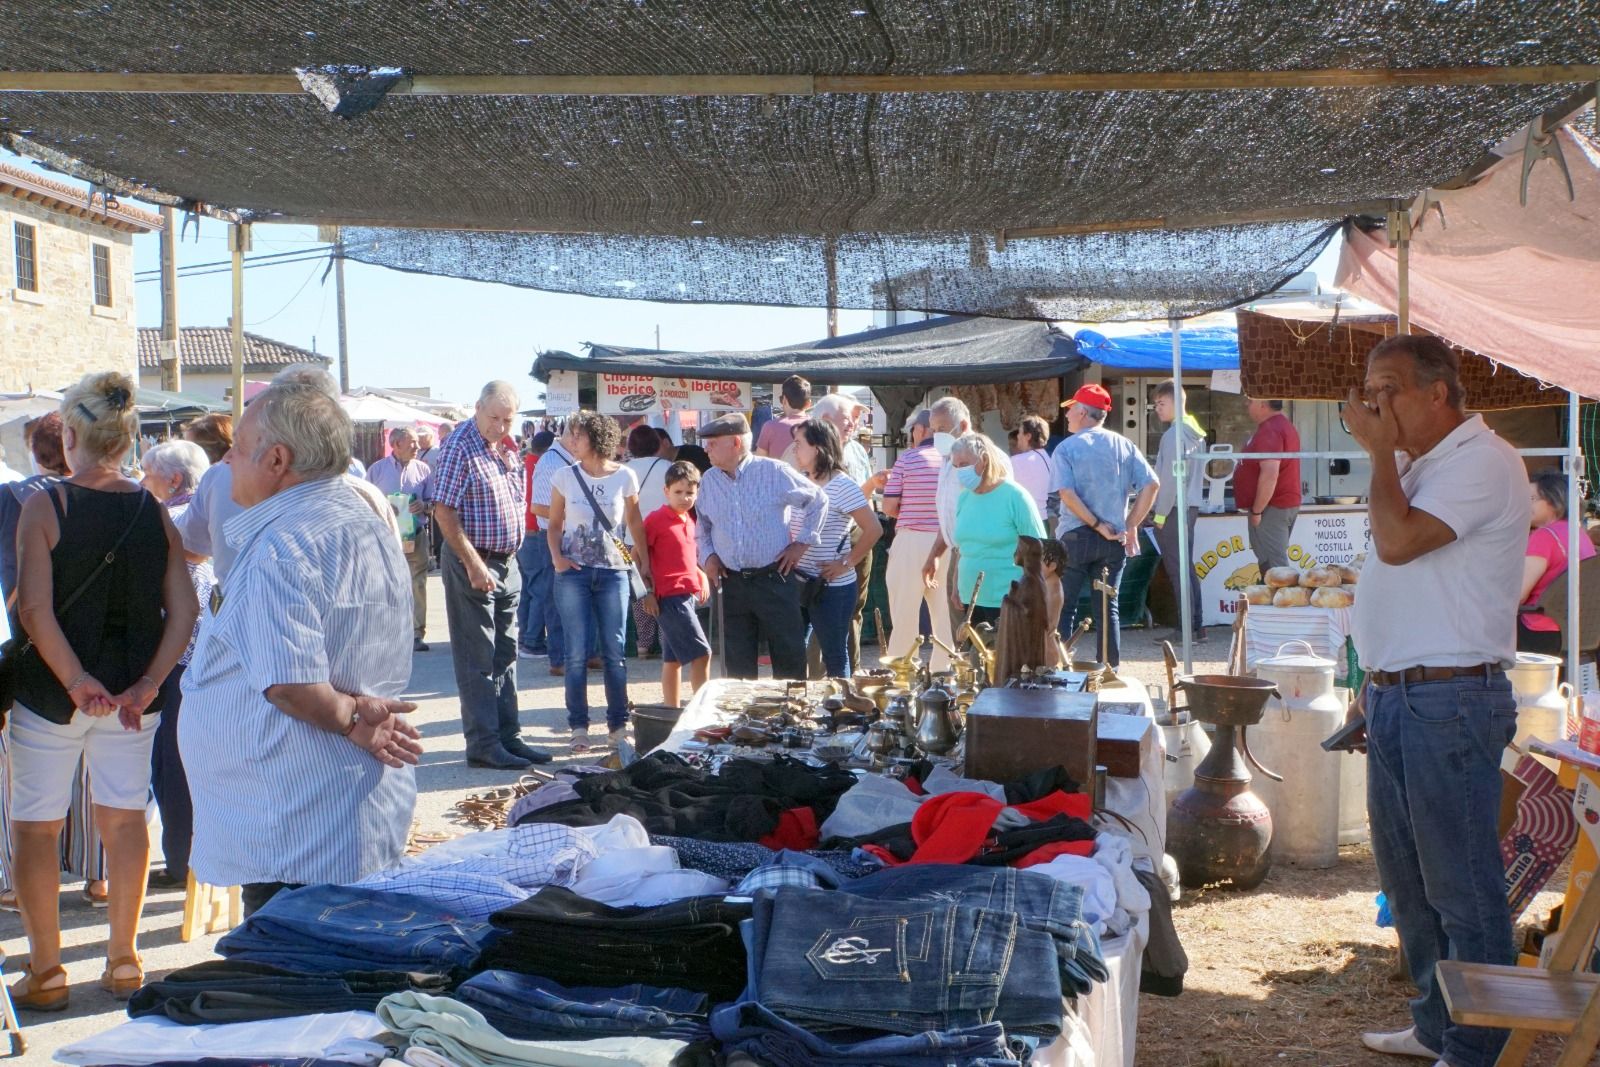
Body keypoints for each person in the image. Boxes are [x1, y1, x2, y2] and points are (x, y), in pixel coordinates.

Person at [1344, 335, 1528, 1067]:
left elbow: (1398, 544)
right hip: (1401, 695)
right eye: (1369, 388)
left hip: (1451, 698)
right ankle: (1435, 1024)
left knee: (1463, 882)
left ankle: (1478, 1043)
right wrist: (1375, 675)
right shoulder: (1422, 463)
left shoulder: (1482, 461)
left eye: (1387, 388)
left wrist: (1380, 453)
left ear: (1438, 393)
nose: (1373, 402)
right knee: (1409, 879)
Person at [179, 379, 423, 921]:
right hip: (325, 813)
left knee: (292, 985)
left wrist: (351, 718)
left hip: (294, 825)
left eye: (238, 448)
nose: (228, 463)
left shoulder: (283, 545)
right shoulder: (359, 518)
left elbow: (291, 682)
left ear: (277, 459)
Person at [8, 372, 197, 1009]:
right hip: (130, 699)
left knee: (35, 827)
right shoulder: (153, 509)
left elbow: (34, 609)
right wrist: (146, 684)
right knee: (124, 822)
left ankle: (49, 971)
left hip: (52, 694)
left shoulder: (46, 504)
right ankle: (122, 960)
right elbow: (185, 609)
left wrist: (77, 681)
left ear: (72, 431)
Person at [0, 413, 108, 912]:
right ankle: (99, 876)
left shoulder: (15, 499)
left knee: (25, 798)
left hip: (32, 658)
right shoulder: (113, 499)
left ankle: (12, 887)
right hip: (102, 658)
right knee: (100, 784)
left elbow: (15, 588)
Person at [432, 381, 552, 770]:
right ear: (478, 409)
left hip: (506, 560)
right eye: (493, 418)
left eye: (507, 419)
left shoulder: (508, 446)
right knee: (478, 656)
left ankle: (508, 735)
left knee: (506, 654)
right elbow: (444, 511)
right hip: (475, 561)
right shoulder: (460, 446)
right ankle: (484, 743)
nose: (500, 426)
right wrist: (473, 563)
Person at [695, 412, 828, 679]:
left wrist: (802, 543)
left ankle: (792, 716)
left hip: (773, 578)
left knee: (788, 657)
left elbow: (818, 500)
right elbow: (703, 524)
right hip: (731, 581)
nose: (706, 449)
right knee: (737, 665)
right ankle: (743, 719)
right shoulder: (709, 479)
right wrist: (708, 555)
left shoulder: (774, 471)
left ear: (734, 443)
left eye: (712, 443)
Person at [136, 441, 214, 892]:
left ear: (175, 481)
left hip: (181, 669)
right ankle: (184, 859)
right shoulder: (189, 519)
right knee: (178, 769)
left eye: (148, 474)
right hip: (192, 666)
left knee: (175, 769)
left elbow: (183, 608)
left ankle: (184, 861)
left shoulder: (178, 524)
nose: (142, 482)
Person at [547, 411, 650, 751]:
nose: (571, 441)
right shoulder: (565, 475)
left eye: (576, 435)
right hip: (573, 574)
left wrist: (641, 561)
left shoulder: (625, 476)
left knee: (615, 653)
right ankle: (578, 727)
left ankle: (618, 726)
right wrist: (558, 559)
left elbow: (634, 522)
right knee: (575, 655)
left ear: (596, 438)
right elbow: (554, 524)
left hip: (613, 573)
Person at [1049, 383, 1158, 668]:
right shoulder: (1124, 444)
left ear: (1083, 412)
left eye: (1071, 410)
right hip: (1113, 540)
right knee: (1107, 608)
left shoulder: (1066, 448)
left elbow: (1067, 494)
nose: (1068, 416)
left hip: (1076, 536)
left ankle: (1060, 668)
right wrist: (1129, 524)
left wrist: (1097, 524)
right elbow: (1152, 484)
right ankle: (1110, 669)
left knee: (1065, 605)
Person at [792, 419, 882, 678]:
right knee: (794, 652)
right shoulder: (801, 480)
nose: (794, 449)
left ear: (818, 448)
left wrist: (846, 562)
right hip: (800, 582)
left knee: (834, 655)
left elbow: (874, 529)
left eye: (799, 444)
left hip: (832, 587)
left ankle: (840, 711)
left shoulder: (843, 485)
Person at [935, 432, 1046, 627]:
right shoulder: (964, 498)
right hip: (970, 599)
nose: (959, 471)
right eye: (956, 466)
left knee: (1006, 657)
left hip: (1009, 600)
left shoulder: (1015, 496)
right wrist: (956, 584)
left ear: (984, 460)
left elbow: (1038, 548)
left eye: (964, 465)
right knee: (975, 657)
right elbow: (963, 547)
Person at [882, 409, 954, 673]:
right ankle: (943, 670)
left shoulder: (908, 460)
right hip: (946, 540)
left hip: (912, 539)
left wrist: (910, 508)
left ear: (922, 430)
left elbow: (889, 506)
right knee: (944, 613)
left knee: (904, 613)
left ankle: (903, 671)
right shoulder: (953, 460)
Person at [528, 420, 597, 674]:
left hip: (576, 536)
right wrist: (580, 515)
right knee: (556, 599)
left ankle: (586, 653)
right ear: (575, 437)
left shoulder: (571, 460)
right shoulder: (551, 463)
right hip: (554, 537)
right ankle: (559, 659)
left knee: (583, 597)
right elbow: (538, 507)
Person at [642, 462, 712, 706]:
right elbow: (638, 557)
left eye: (690, 492)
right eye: (678, 492)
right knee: (702, 654)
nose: (684, 498)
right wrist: (647, 592)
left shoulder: (689, 519)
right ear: (666, 491)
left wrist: (700, 574)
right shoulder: (655, 520)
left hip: (686, 595)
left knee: (672, 660)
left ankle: (671, 711)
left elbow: (683, 556)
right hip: (669, 596)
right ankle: (701, 710)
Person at [367, 427, 433, 652]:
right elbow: (365, 503)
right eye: (412, 443)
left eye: (417, 442)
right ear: (395, 445)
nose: (417, 446)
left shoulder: (424, 470)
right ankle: (391, 631)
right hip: (385, 537)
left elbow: (435, 502)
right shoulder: (377, 471)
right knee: (387, 584)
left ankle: (416, 633)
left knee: (417, 583)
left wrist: (424, 506)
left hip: (415, 535)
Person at [1516, 470, 1596, 654]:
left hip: (1540, 630)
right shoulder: (1579, 535)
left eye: (1531, 499)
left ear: (1554, 501)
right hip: (1579, 630)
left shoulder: (1544, 536)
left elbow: (1518, 594)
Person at [1152, 380, 1208, 642]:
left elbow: (1170, 479)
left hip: (1173, 509)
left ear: (1176, 402)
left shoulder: (1173, 436)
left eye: (1161, 404)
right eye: (1155, 405)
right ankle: (1197, 625)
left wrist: (1159, 515)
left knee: (1177, 570)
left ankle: (1186, 629)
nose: (1157, 410)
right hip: (1191, 506)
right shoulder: (1195, 433)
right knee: (1187, 568)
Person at [1235, 396, 1302, 572]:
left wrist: (1257, 510)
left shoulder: (1271, 430)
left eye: (1250, 401)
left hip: (1272, 506)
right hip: (1276, 505)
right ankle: (1271, 596)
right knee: (1269, 563)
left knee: (1276, 567)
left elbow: (1270, 474)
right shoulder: (1279, 426)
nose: (1246, 405)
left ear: (1262, 404)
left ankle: (1286, 599)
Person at [625, 424, 672, 658]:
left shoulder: (622, 471)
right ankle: (667, 642)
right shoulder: (669, 469)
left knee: (639, 591)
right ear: (657, 443)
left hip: (629, 541)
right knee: (664, 589)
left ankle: (643, 644)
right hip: (664, 539)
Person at [516, 430, 555, 658]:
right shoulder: (544, 467)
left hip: (521, 532)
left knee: (527, 589)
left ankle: (526, 638)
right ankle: (533, 641)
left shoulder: (522, 466)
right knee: (540, 588)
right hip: (535, 531)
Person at [755, 374, 812, 458]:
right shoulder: (818, 427)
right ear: (808, 404)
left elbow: (760, 462)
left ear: (784, 400)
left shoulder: (770, 427)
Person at [1011, 414, 1053, 518]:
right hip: (1043, 518)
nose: (1017, 436)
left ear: (1028, 436)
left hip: (1025, 520)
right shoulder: (1047, 458)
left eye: (1020, 432)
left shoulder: (1016, 461)